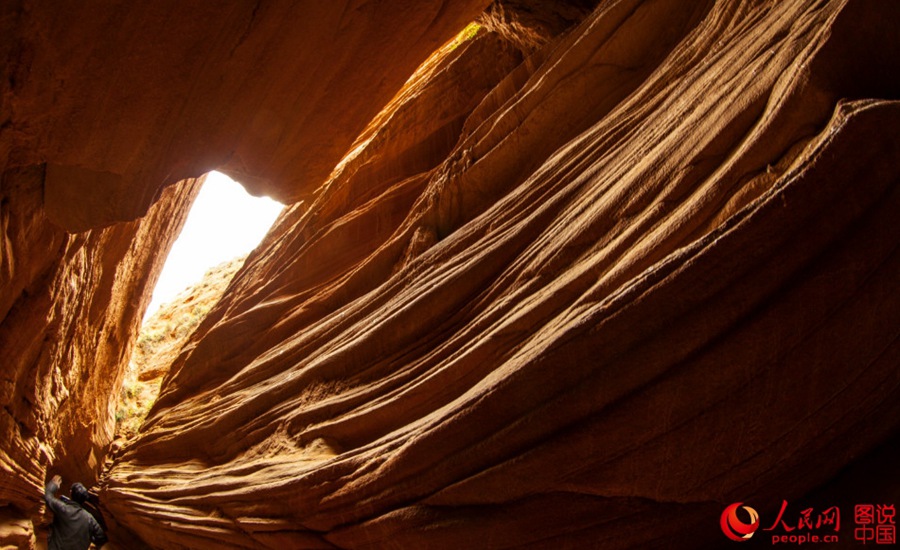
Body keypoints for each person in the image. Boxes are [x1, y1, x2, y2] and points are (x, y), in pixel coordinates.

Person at [44, 474, 108, 549]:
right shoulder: (89, 519)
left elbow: (48, 496)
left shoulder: (62, 508)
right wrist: (87, 538)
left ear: (71, 492)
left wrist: (53, 484)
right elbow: (101, 538)